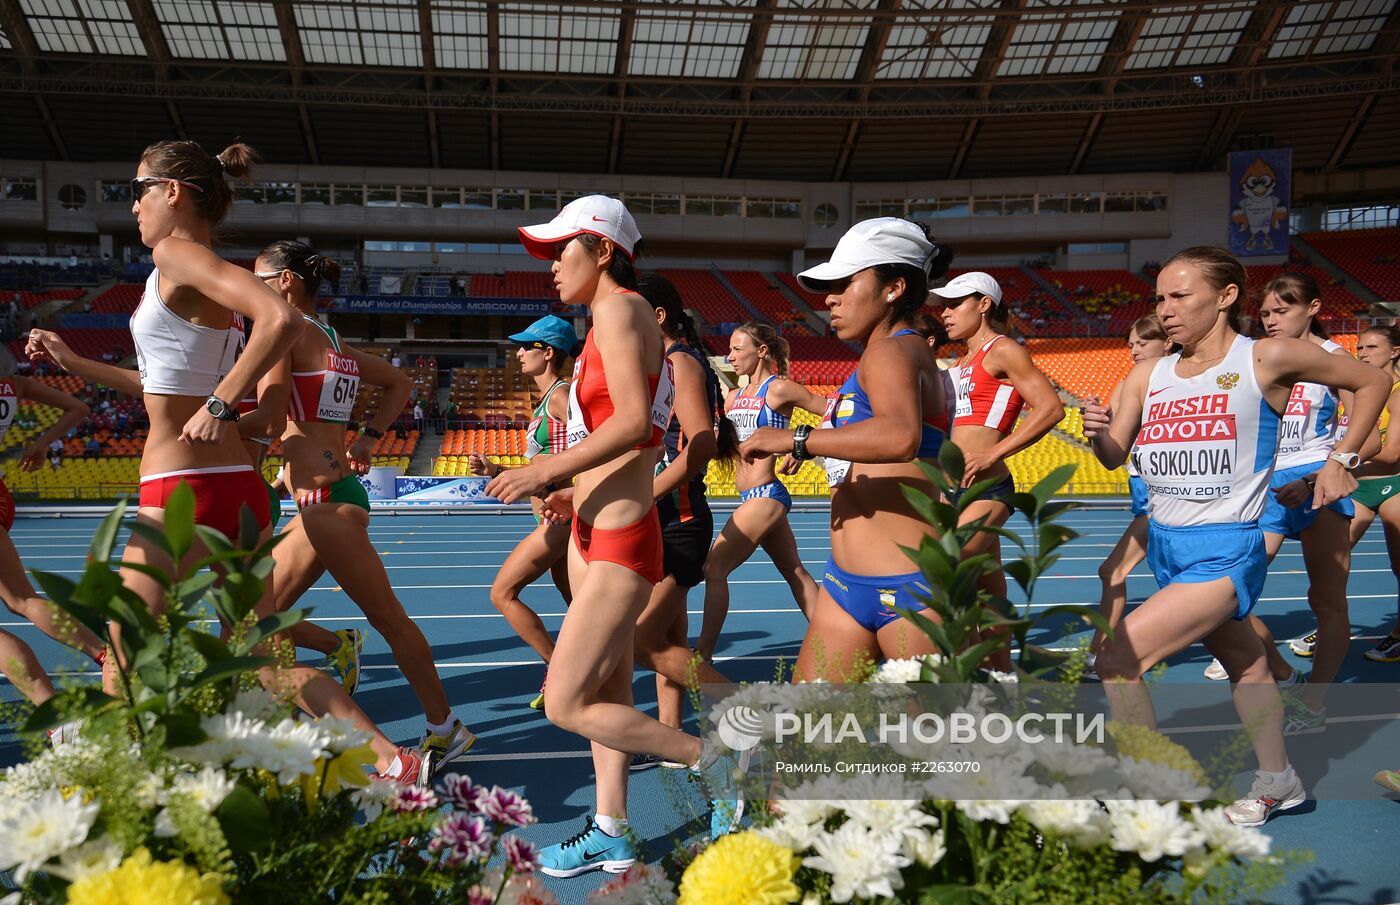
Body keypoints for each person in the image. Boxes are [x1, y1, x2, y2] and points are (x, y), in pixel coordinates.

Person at [25, 139, 430, 785]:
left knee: (124, 641)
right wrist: (76, 365)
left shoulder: (176, 253)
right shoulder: (183, 268)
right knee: (264, 660)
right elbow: (161, 386)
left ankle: (122, 793)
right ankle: (393, 761)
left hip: (183, 486)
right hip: (233, 485)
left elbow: (276, 316)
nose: (131, 205)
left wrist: (220, 400)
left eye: (137, 189)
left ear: (173, 192)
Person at [1082, 245, 1388, 825]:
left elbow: (1371, 381)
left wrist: (1341, 456)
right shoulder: (1151, 372)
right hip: (1168, 547)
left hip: (1226, 546)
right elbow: (1112, 454)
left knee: (1117, 659)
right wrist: (1097, 431)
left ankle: (1149, 793)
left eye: (1179, 296)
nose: (1165, 310)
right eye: (1159, 299)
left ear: (1225, 298)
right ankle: (1281, 779)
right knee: (1247, 664)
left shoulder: (1266, 357)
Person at [486, 195, 740, 877]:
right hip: (595, 528)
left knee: (568, 700)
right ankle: (611, 827)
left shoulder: (621, 308)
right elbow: (624, 439)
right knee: (611, 692)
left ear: (601, 250)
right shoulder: (605, 320)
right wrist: (571, 490)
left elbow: (635, 424)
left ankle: (714, 756)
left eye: (559, 251)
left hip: (626, 538)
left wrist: (544, 467)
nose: (550, 268)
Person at [253, 239, 475, 771]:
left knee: (388, 619)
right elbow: (398, 383)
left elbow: (270, 413)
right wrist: (367, 439)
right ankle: (302, 698)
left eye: (257, 279)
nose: (247, 288)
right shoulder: (328, 337)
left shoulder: (284, 330)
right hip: (331, 492)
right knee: (258, 620)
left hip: (325, 498)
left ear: (285, 282)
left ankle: (445, 729)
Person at [738, 217, 954, 680]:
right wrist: (825, 439)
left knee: (932, 747)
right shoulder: (892, 350)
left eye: (845, 282)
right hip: (845, 584)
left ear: (894, 287)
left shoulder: (891, 350)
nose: (830, 298)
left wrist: (797, 438)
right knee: (807, 738)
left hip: (906, 585)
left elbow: (900, 437)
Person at [1200, 273, 1372, 735]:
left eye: (1283, 311)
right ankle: (1279, 669)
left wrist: (1321, 473)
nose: (1271, 321)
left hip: (1317, 484)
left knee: (1327, 601)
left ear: (1313, 308)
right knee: (1225, 590)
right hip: (1267, 486)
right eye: (1267, 313)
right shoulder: (1261, 356)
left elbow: (1369, 438)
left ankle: (1314, 703)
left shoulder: (1335, 360)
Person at [631, 273, 737, 769]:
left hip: (680, 521)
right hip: (669, 519)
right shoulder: (674, 360)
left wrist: (645, 492)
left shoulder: (679, 361)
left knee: (640, 641)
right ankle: (672, 740)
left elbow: (701, 444)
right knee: (670, 640)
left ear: (656, 317)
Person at [936, 272, 1064, 668]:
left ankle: (966, 676)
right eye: (944, 305)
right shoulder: (959, 361)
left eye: (955, 304)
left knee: (946, 577)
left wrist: (993, 454)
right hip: (952, 490)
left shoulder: (1002, 349)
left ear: (984, 304)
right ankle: (1002, 676)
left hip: (987, 489)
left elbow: (1051, 408)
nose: (945, 313)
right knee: (989, 592)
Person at [695, 321, 827, 662]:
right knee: (793, 569)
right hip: (749, 496)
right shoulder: (733, 397)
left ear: (761, 351)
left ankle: (704, 653)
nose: (731, 356)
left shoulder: (779, 389)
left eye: (738, 349)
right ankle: (831, 642)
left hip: (767, 494)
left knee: (714, 569)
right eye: (731, 349)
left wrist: (800, 446)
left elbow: (834, 412)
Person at [469, 314, 579, 710]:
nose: (517, 353)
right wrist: (498, 470)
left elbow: (591, 455)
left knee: (502, 593)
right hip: (551, 517)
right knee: (581, 608)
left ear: (547, 353)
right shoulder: (547, 401)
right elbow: (545, 466)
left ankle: (562, 672)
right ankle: (590, 677)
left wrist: (568, 492)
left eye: (525, 346)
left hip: (561, 520)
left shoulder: (564, 397)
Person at [0, 371, 108, 684]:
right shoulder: (14, 384)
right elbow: (80, 408)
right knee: (23, 599)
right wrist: (42, 443)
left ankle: (52, 722)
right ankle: (104, 654)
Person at [1086, 315, 1173, 673]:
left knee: (1117, 571)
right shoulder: (1130, 382)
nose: (1134, 350)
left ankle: (1101, 653)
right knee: (1117, 572)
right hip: (1144, 491)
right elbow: (1112, 447)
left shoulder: (1180, 378)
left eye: (1141, 343)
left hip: (1167, 493)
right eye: (1130, 344)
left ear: (1167, 342)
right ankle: (1102, 652)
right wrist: (1095, 426)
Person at [1341, 324, 1400, 664]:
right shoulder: (1356, 391)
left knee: (1399, 565)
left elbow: (1392, 453)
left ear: (1394, 352)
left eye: (1371, 348)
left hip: (1394, 483)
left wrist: (1339, 456)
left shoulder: (1397, 393)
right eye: (1360, 348)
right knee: (1332, 559)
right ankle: (1332, 623)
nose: (1362, 353)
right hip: (1359, 484)